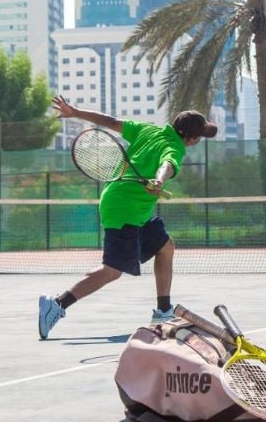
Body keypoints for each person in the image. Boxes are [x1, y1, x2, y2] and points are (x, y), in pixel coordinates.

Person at [37, 95, 218, 340]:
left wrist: (75, 111)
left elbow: (110, 122)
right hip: (124, 209)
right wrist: (160, 180)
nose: (198, 140)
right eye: (200, 136)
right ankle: (57, 304)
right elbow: (167, 164)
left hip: (133, 208)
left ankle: (163, 310)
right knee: (112, 270)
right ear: (191, 138)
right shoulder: (174, 147)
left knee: (166, 247)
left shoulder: (147, 130)